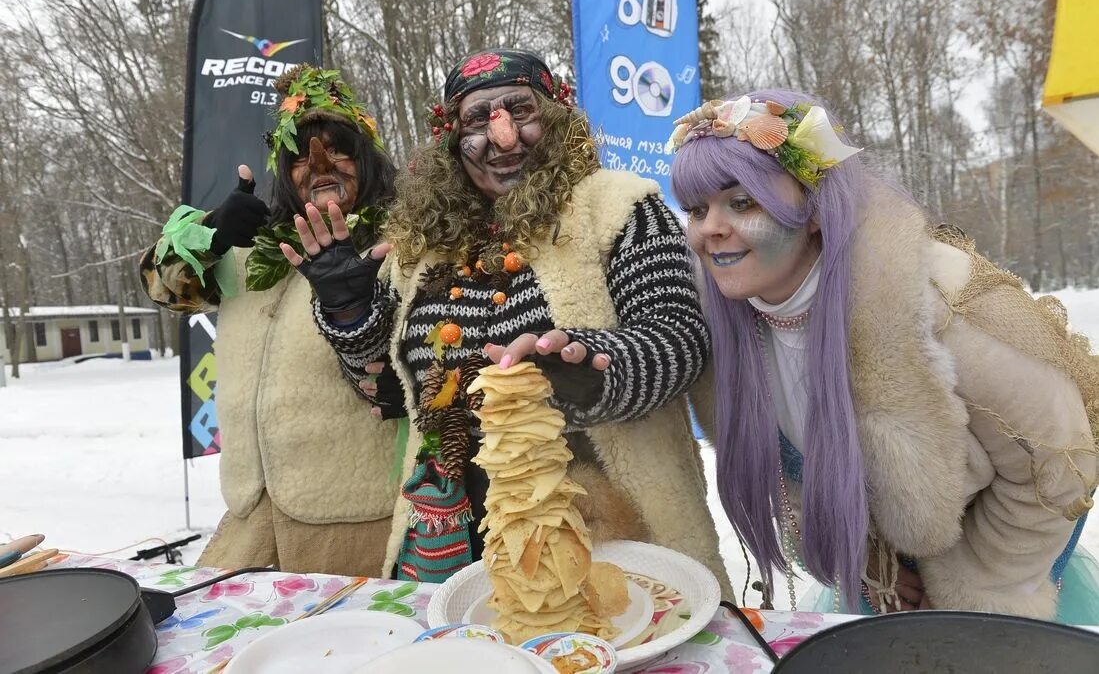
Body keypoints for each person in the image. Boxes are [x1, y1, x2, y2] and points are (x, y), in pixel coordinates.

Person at [282, 48, 730, 592]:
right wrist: (349, 310)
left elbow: (678, 339)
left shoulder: (620, 208)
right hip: (460, 533)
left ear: (556, 118)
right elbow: (388, 394)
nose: (504, 138)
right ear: (451, 142)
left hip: (612, 527)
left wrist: (590, 369)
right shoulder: (422, 246)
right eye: (478, 120)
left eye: (521, 111)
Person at [668, 89, 1099, 621]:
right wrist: (875, 569)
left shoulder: (941, 303)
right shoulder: (724, 329)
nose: (709, 229)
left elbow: (1057, 464)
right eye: (695, 208)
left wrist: (972, 590)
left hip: (1005, 565)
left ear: (814, 211)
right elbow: (800, 479)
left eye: (741, 202)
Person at [140, 65, 405, 575]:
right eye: (301, 153)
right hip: (250, 516)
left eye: (338, 146)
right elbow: (160, 285)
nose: (320, 163)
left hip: (356, 518)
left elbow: (424, 367)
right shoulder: (250, 252)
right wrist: (211, 233)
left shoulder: (401, 244)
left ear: (368, 158)